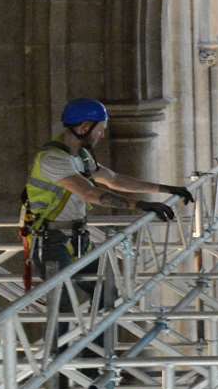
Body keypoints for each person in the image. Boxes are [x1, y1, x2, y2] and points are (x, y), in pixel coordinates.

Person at [23, 98, 195, 288]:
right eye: (100, 129)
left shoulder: (81, 156)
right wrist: (139, 205)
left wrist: (165, 189)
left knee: (106, 292)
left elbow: (114, 179)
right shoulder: (53, 158)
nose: (102, 135)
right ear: (85, 127)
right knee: (63, 304)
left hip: (77, 237)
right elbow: (89, 193)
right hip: (51, 242)